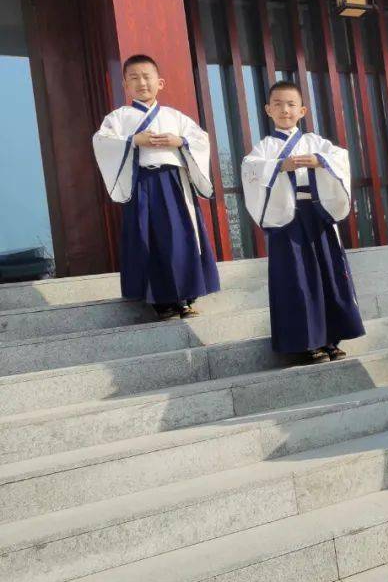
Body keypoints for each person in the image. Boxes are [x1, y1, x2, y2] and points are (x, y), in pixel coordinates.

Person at [240, 80, 364, 364]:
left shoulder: (315, 142)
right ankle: (308, 342)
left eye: (291, 104)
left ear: (302, 110)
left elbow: (340, 158)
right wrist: (279, 165)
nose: (285, 110)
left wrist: (320, 161)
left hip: (317, 213)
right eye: (278, 104)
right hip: (286, 218)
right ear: (268, 110)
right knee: (296, 279)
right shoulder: (265, 147)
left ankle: (332, 337)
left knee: (327, 274)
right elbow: (251, 169)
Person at [92, 54, 220, 319]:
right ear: (125, 86)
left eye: (147, 77)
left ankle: (184, 297)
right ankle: (161, 301)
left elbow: (200, 139)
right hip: (141, 184)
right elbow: (102, 142)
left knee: (179, 237)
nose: (141, 83)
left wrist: (179, 141)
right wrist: (132, 140)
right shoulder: (118, 118)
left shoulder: (175, 117)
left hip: (173, 183)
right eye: (134, 78)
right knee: (147, 238)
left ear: (159, 82)